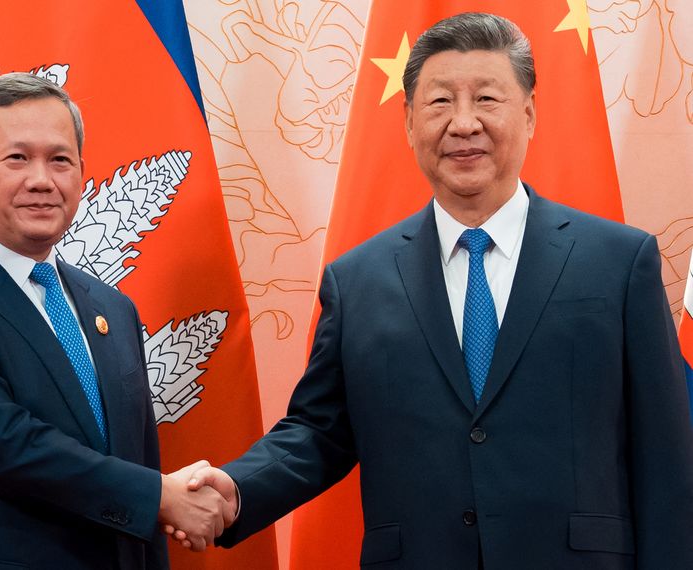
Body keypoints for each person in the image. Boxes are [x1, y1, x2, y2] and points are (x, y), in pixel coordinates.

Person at [174, 12, 693, 569]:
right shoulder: (358, 281)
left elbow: (665, 456)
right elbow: (319, 432)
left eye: (487, 99)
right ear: (408, 122)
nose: (463, 123)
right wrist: (236, 489)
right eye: (440, 102)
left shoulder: (617, 261)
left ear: (529, 113)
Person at [0, 73, 231, 570]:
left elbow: (136, 458)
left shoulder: (113, 308)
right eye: (17, 158)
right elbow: (5, 443)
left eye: (60, 160)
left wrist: (159, 504)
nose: (42, 179)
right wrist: (159, 496)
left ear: (82, 175)